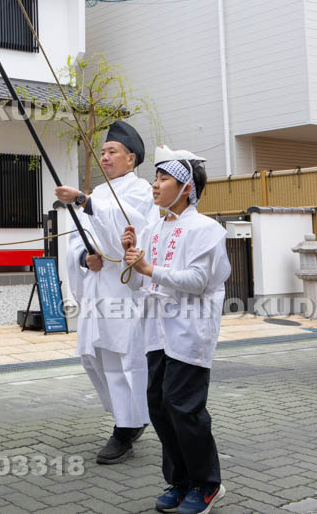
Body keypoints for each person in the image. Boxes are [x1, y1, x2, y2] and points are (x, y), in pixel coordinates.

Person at [121, 145, 229, 514]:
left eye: (163, 178)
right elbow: (140, 285)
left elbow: (198, 281)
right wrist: (132, 258)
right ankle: (180, 481)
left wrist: (148, 268)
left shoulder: (206, 229)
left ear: (186, 188)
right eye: (155, 177)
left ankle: (207, 484)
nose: (155, 185)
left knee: (184, 408)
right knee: (159, 407)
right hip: (156, 332)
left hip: (189, 330)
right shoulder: (152, 229)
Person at [53, 121, 160, 464]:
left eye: (112, 151)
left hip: (125, 290)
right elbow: (77, 239)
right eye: (102, 152)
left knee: (125, 358)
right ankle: (129, 417)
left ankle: (125, 429)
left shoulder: (141, 191)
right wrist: (84, 258)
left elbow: (131, 227)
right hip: (98, 287)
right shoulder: (99, 193)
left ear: (131, 159)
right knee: (97, 356)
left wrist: (84, 201)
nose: (105, 157)